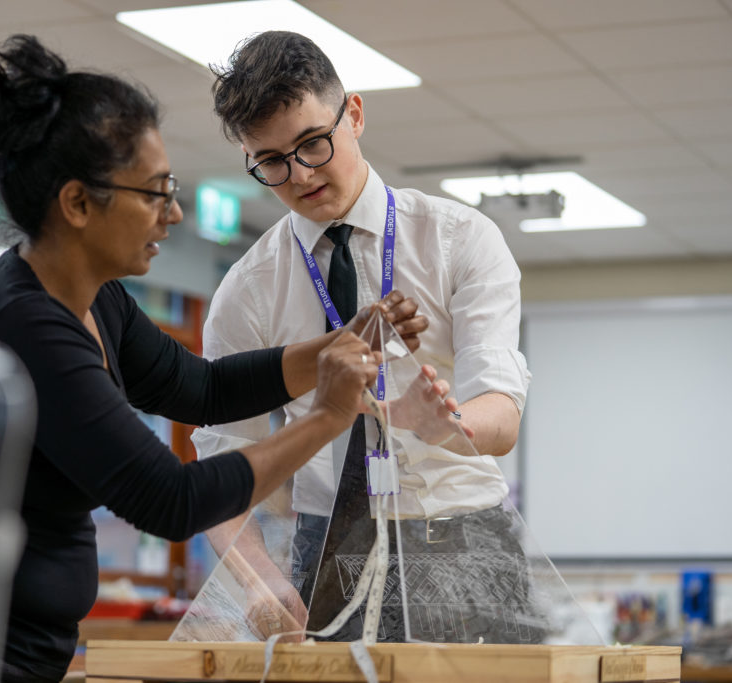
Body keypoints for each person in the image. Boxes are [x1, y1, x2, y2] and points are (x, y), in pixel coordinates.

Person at [0, 35, 430, 682]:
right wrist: (330, 416)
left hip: (25, 649)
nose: (173, 213)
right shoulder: (23, 326)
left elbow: (203, 387)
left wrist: (341, 344)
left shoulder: (95, 299)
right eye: (155, 192)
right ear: (79, 204)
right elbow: (170, 499)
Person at [191, 31, 534, 643]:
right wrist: (257, 578)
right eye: (271, 161)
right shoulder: (248, 289)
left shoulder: (459, 239)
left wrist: (443, 425)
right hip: (323, 549)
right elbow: (221, 461)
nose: (299, 175)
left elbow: (502, 420)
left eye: (312, 144)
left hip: (463, 541)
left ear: (353, 112)